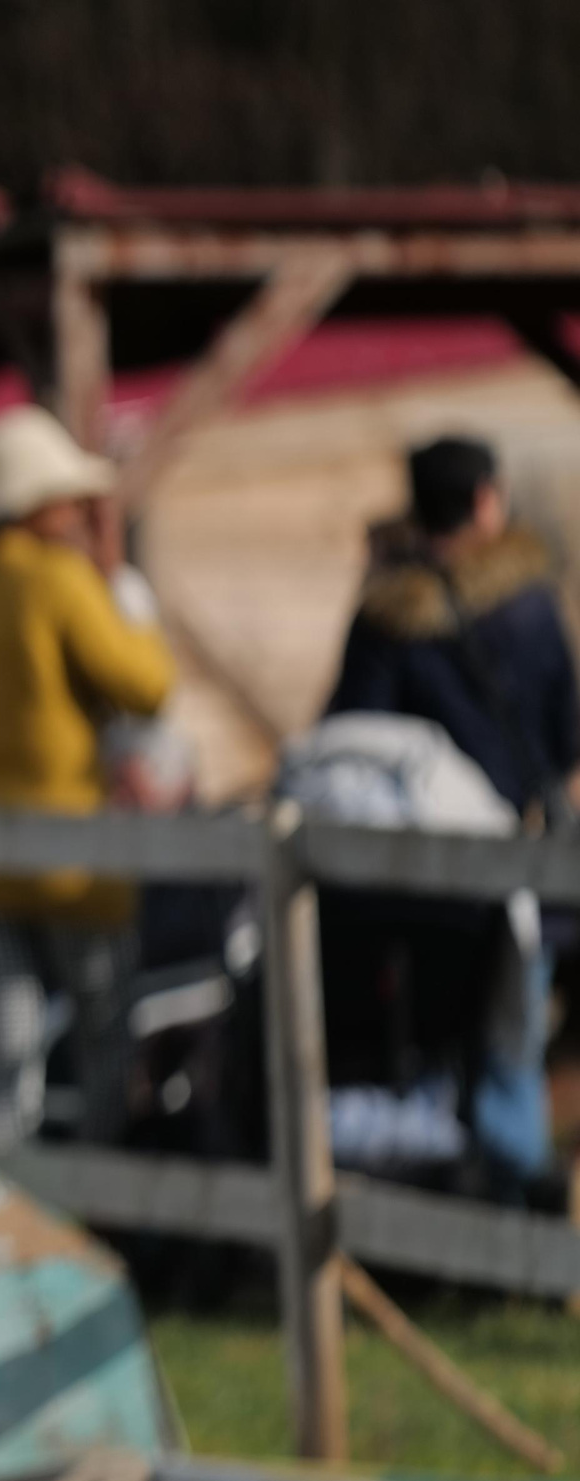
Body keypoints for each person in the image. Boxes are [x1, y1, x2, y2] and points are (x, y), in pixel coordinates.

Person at [322, 435, 578, 1200]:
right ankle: (514, 1223)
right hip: (514, 872)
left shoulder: (387, 617)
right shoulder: (530, 610)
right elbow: (568, 746)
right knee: (508, 1052)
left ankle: (444, 1205)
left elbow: (350, 739)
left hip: (410, 886)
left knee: (421, 1056)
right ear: (486, 500)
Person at [0, 405, 176, 1152]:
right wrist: (118, 580)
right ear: (34, 503)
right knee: (104, 1047)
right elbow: (146, 684)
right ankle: (97, 1209)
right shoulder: (60, 581)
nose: (76, 510)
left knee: (4, 1058)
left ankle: (14, 1218)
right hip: (75, 861)